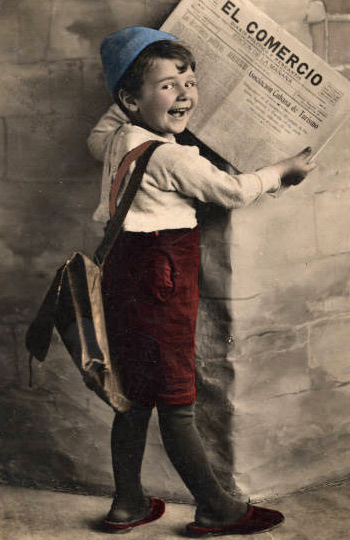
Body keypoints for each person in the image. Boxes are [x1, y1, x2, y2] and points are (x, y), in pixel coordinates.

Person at [87, 26, 316, 536]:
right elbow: (231, 191)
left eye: (189, 81)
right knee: (176, 401)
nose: (186, 93)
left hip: (122, 273)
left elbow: (102, 126)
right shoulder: (172, 156)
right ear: (131, 98)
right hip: (162, 277)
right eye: (168, 85)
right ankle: (217, 507)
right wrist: (282, 169)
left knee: (132, 394)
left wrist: (133, 77)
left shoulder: (112, 138)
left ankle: (127, 503)